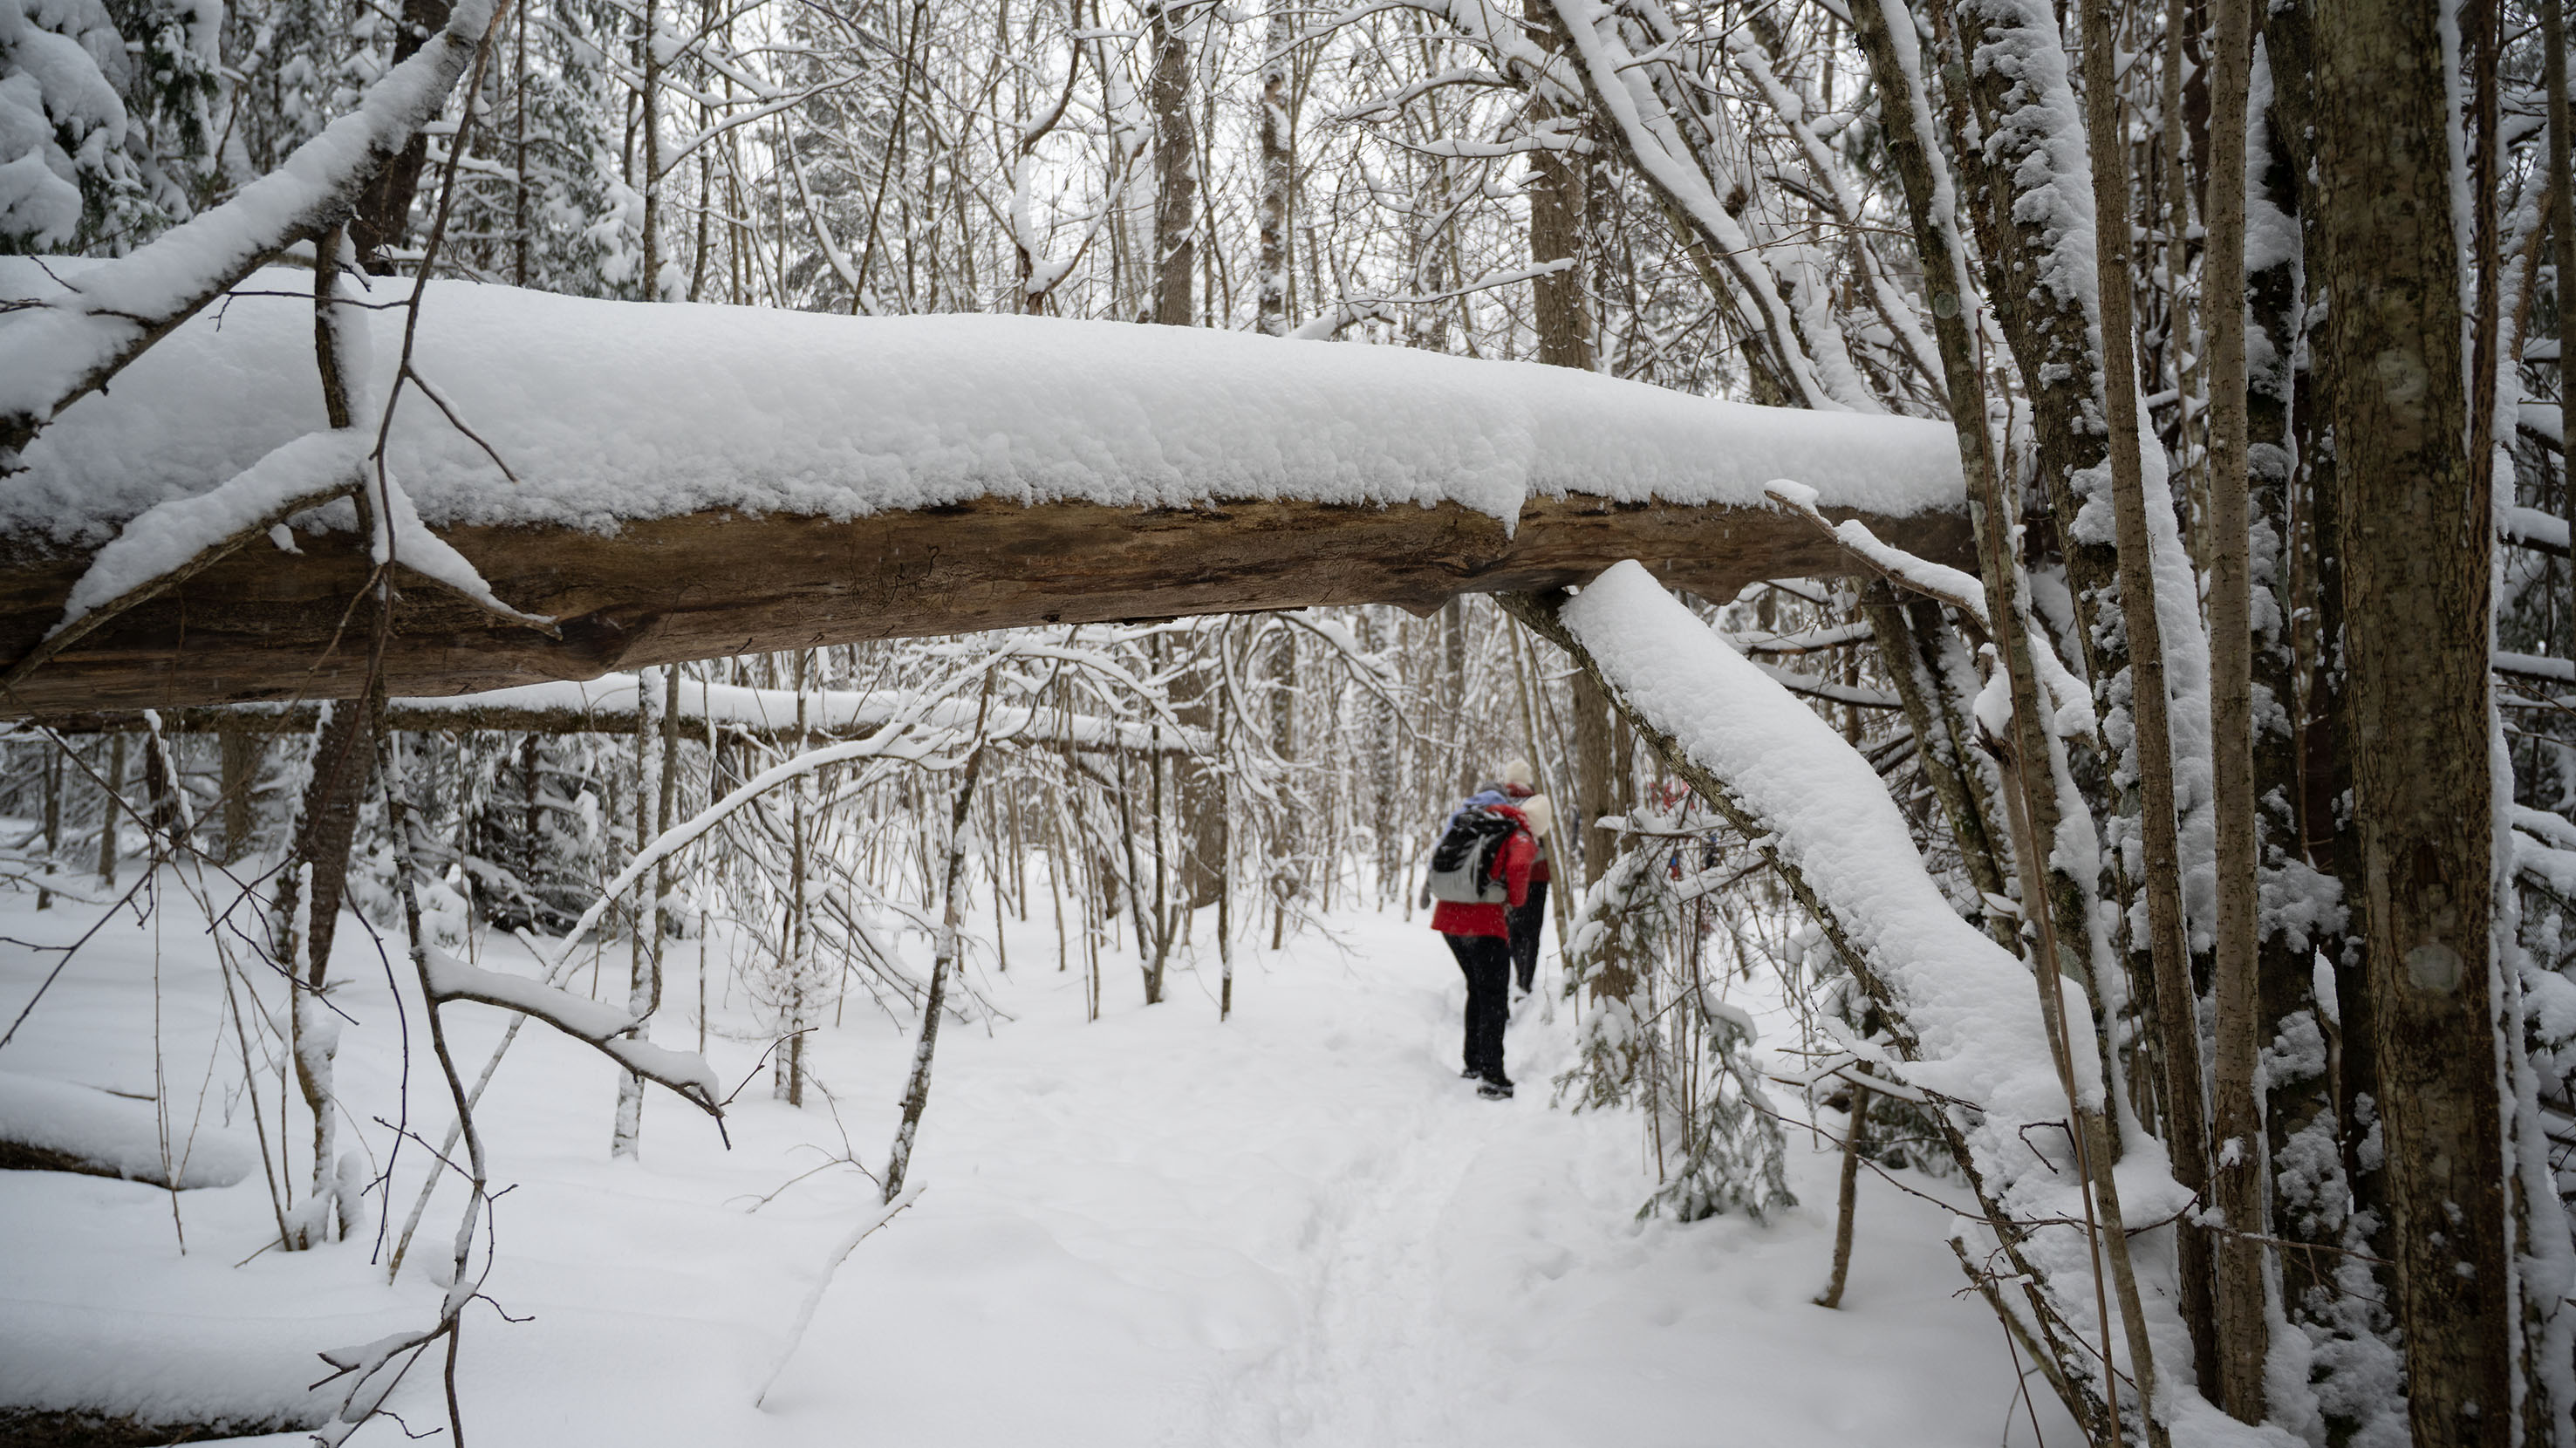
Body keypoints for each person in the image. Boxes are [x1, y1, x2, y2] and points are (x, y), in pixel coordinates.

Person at [1430, 799, 1537, 1100]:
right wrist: (1516, 900)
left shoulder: (1478, 824)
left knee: (1478, 989)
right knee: (1493, 997)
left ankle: (1473, 1062)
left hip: (1449, 921)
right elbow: (1519, 866)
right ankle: (1493, 1077)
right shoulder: (1520, 836)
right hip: (1484, 924)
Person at [1507, 794, 1554, 995]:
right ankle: (1524, 980)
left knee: (1516, 931)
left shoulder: (1516, 819)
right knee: (1531, 934)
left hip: (1522, 879)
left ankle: (1522, 977)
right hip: (1537, 879)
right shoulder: (1535, 818)